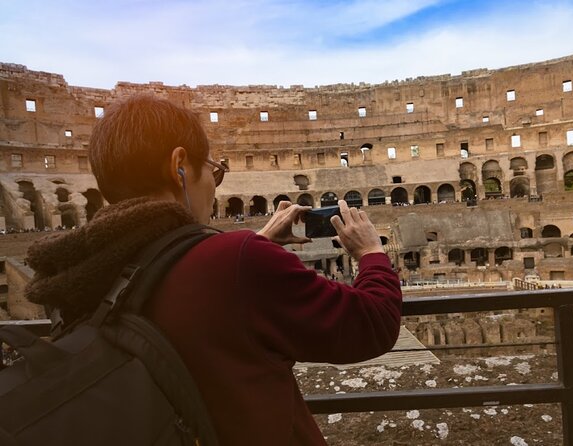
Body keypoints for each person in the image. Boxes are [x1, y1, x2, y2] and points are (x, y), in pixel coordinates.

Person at [24, 95, 402, 445]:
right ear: (179, 167)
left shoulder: (79, 269)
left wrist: (255, 245)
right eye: (214, 172)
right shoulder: (236, 262)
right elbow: (372, 324)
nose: (216, 188)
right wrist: (370, 251)